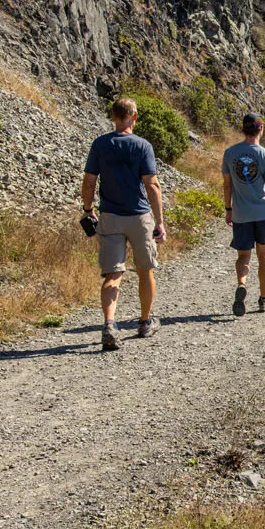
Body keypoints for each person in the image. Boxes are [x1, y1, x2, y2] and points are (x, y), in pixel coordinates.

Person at [82, 97, 165, 351]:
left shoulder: (100, 144)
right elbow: (151, 185)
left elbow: (89, 181)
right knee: (145, 270)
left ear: (113, 116)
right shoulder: (143, 146)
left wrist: (88, 210)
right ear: (134, 117)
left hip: (109, 216)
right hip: (139, 216)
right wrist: (159, 221)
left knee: (113, 273)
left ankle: (109, 324)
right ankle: (145, 321)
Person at [222, 113, 265, 316]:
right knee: (263, 254)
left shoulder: (230, 153)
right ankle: (264, 299)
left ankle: (242, 283)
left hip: (240, 213)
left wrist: (228, 209)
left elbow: (227, 185)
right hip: (262, 213)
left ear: (243, 129)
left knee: (243, 255)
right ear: (261, 128)